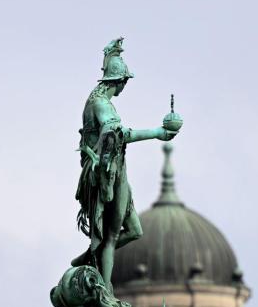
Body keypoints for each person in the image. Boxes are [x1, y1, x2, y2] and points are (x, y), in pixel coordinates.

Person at [71, 37, 179, 290]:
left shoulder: (98, 101)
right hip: (105, 173)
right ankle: (104, 287)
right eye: (124, 82)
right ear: (119, 81)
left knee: (134, 230)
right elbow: (119, 135)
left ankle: (89, 257)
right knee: (109, 236)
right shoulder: (100, 104)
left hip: (114, 169)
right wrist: (157, 132)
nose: (124, 88)